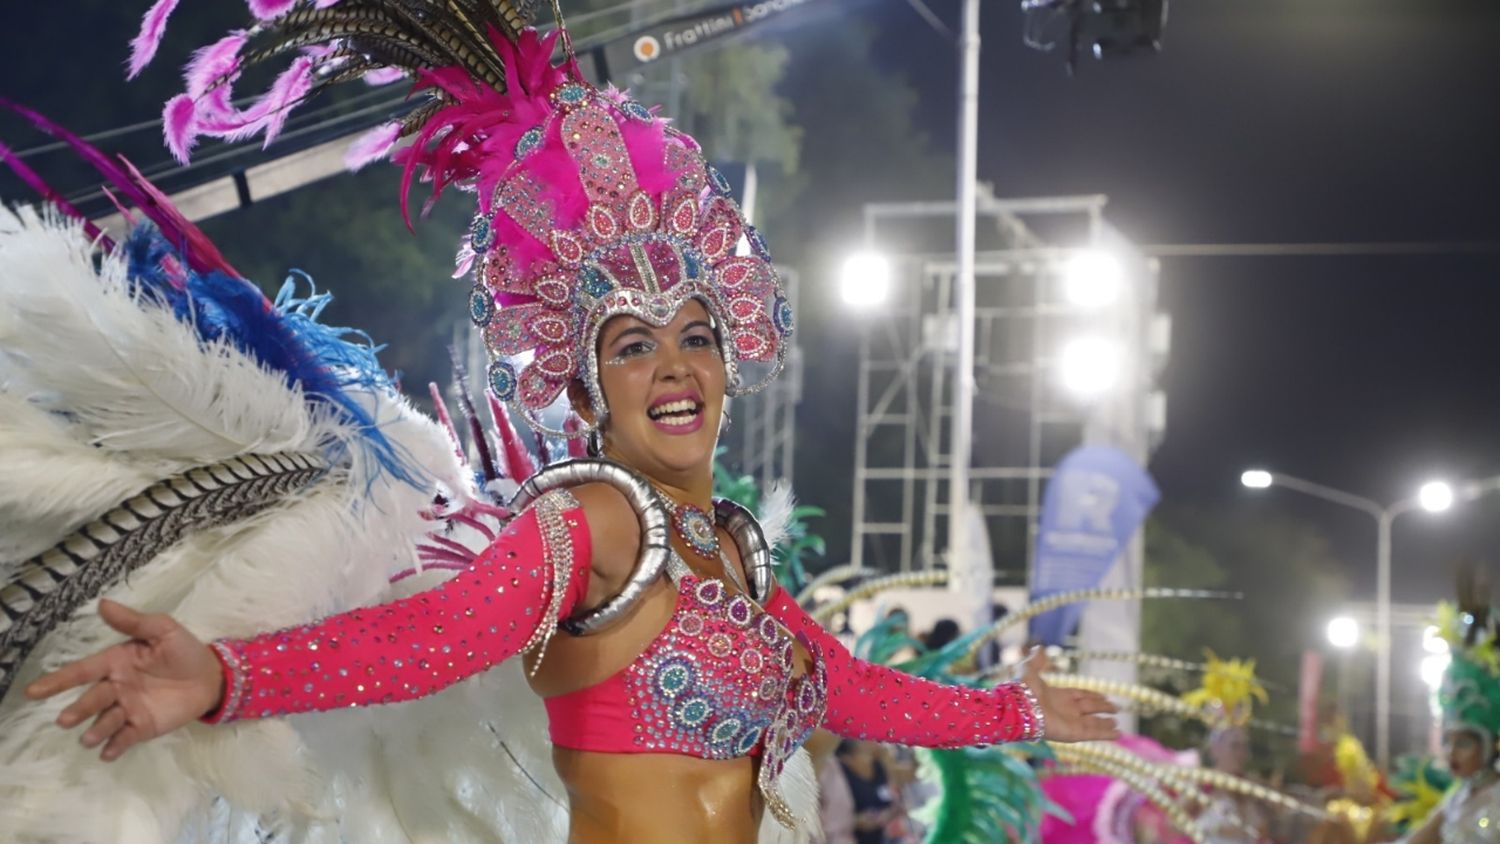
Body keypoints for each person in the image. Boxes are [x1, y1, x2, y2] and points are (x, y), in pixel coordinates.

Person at [18, 5, 1120, 844]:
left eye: (694, 332)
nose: (675, 364)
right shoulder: (594, 524)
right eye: (633, 345)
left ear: (729, 360)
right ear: (587, 389)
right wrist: (226, 675)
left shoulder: (730, 547)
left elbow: (849, 684)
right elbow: (436, 637)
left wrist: (1018, 707)